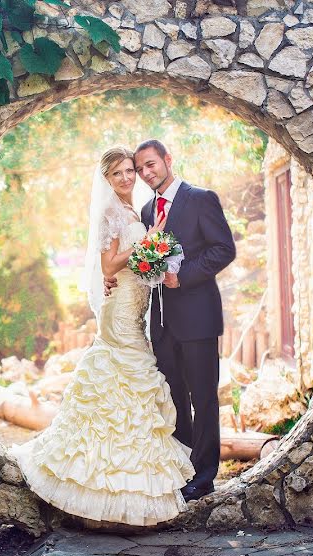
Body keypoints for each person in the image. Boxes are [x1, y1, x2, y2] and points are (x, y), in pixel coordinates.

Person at [11, 146, 194, 526]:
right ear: (107, 180)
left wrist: (156, 257)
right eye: (117, 174)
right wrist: (149, 242)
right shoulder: (112, 211)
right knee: (121, 379)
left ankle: (122, 491)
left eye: (130, 171)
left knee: (128, 386)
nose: (127, 178)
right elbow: (109, 264)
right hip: (121, 312)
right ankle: (96, 488)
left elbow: (132, 263)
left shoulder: (134, 210)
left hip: (135, 305)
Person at [106, 139, 236, 501]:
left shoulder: (200, 199)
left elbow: (224, 249)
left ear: (167, 160)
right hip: (160, 321)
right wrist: (111, 275)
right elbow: (139, 260)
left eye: (151, 165)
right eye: (141, 168)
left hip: (198, 317)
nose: (146, 173)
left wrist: (184, 275)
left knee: (204, 397)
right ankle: (183, 467)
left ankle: (205, 474)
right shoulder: (147, 211)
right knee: (174, 396)